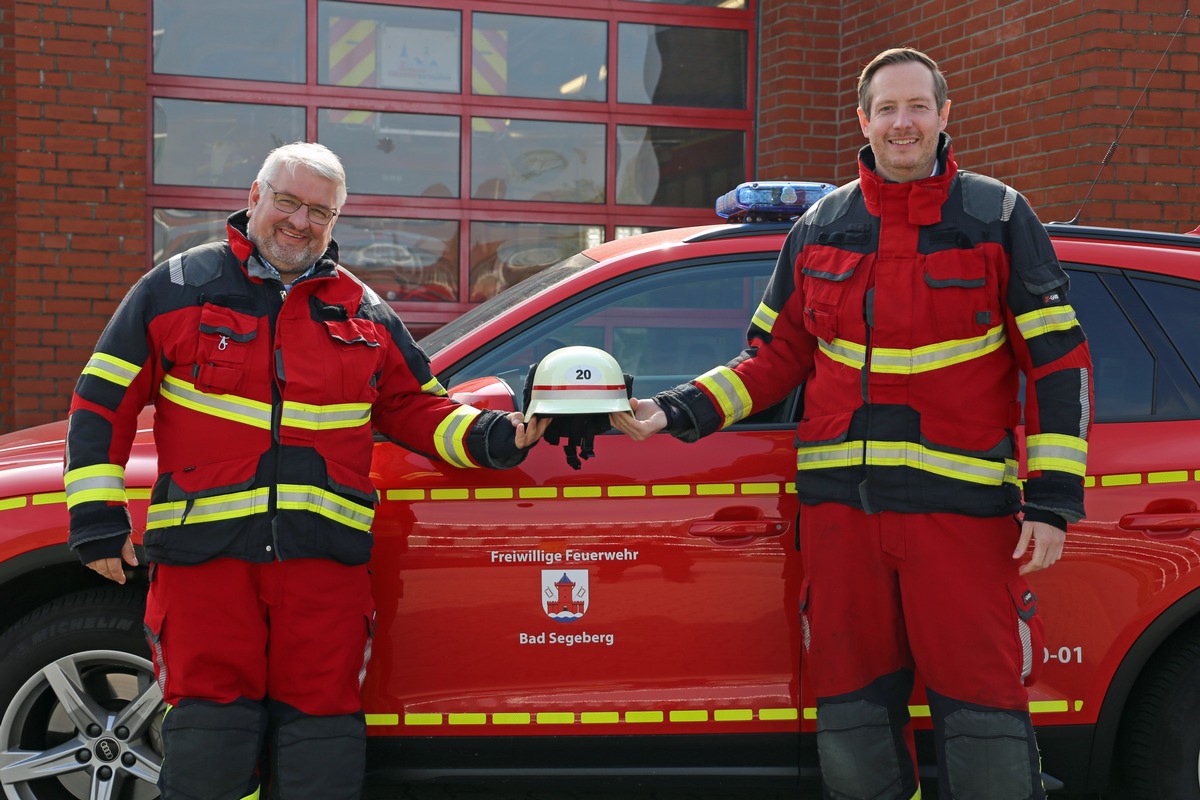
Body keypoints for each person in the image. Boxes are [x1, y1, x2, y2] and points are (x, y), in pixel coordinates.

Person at [611, 48, 1092, 799]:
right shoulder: (820, 226)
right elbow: (771, 361)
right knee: (852, 710)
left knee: (985, 710)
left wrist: (1056, 501)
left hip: (960, 524)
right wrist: (673, 410)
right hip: (844, 525)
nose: (904, 123)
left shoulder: (998, 216)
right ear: (863, 119)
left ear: (943, 116)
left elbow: (1060, 364)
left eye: (918, 107)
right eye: (888, 109)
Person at [63, 141, 548, 800]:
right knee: (210, 734)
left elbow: (418, 407)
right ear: (255, 197)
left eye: (319, 212)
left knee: (322, 735)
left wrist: (496, 437)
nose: (300, 222)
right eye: (288, 202)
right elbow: (102, 399)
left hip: (322, 570)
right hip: (208, 566)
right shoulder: (174, 289)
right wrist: (95, 516)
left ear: (335, 223)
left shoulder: (363, 311)